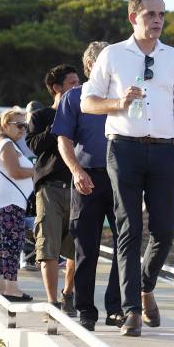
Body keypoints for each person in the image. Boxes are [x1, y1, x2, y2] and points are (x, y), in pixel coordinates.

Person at [82, 0, 174, 337]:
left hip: (165, 150)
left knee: (164, 230)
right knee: (130, 229)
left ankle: (145, 287)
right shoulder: (113, 56)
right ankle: (130, 310)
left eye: (162, 14)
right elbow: (89, 102)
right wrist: (118, 103)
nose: (158, 20)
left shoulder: (173, 58)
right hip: (124, 148)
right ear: (134, 18)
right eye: (151, 14)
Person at [53, 41, 125, 331]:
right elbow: (63, 140)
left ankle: (116, 308)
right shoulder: (73, 97)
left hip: (122, 178)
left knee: (126, 245)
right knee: (85, 248)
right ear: (91, 67)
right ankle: (86, 310)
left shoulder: (125, 96)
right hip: (87, 178)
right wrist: (76, 170)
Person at [28, 64, 81, 317]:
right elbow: (36, 146)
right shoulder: (40, 117)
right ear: (56, 88)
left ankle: (68, 294)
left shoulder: (85, 113)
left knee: (77, 247)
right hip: (49, 188)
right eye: (72, 83)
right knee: (47, 247)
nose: (78, 86)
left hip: (79, 188)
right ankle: (52, 302)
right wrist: (60, 117)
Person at [0, 107, 34, 301]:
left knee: (3, 244)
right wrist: (37, 172)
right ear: (4, 125)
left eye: (25, 126)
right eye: (18, 125)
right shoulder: (7, 145)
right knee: (13, 244)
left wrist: (0, 182)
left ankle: (0, 284)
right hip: (10, 202)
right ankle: (11, 288)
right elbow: (15, 171)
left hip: (1, 201)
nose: (23, 130)